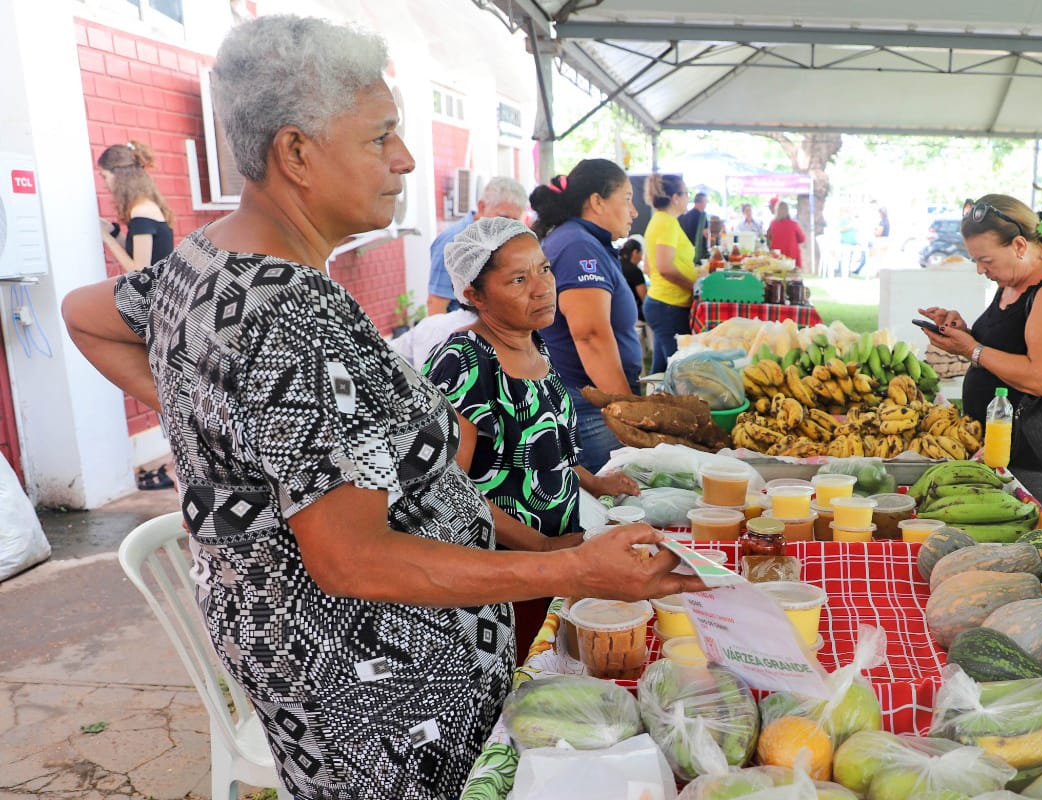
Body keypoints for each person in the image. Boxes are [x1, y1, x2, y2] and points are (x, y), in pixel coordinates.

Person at [59, 16, 702, 799]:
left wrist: (234, 425)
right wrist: (571, 565)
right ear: (295, 152)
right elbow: (351, 558)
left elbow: (86, 311)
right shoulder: (287, 311)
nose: (404, 159)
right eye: (379, 138)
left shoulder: (209, 260)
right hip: (381, 701)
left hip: (334, 669)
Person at [429, 216, 641, 655]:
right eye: (519, 279)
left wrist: (593, 481)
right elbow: (447, 493)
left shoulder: (532, 343)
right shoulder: (463, 362)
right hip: (505, 577)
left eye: (544, 269)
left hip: (557, 562)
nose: (543, 287)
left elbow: (541, 446)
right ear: (473, 295)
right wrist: (544, 548)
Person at [918, 194, 1042, 520]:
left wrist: (971, 350)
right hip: (1003, 447)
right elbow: (1009, 346)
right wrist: (964, 332)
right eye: (975, 261)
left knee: (1028, 545)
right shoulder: (1014, 277)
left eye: (986, 260)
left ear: (1019, 246)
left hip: (1037, 456)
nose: (981, 270)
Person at [530, 160, 645, 475]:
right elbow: (590, 335)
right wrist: (626, 409)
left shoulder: (584, 241)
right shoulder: (578, 246)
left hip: (592, 403)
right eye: (626, 198)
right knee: (612, 504)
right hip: (589, 407)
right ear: (597, 202)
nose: (633, 211)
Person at [426, 175, 526, 314]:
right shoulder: (454, 242)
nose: (506, 226)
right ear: (482, 207)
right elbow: (436, 304)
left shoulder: (499, 238)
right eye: (503, 217)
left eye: (514, 221)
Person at [643, 173, 697, 372]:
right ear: (675, 197)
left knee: (660, 370)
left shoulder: (658, 220)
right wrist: (694, 285)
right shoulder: (668, 223)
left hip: (661, 303)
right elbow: (664, 267)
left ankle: (650, 401)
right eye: (686, 193)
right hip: (669, 306)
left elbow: (649, 267)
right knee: (680, 369)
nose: (687, 198)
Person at [96, 141, 175, 272]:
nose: (105, 183)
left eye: (105, 177)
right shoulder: (145, 207)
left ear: (120, 176)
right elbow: (138, 249)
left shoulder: (141, 212)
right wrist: (112, 231)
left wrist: (107, 238)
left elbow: (138, 272)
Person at [767, 201, 806, 267]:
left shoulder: (773, 224)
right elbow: (802, 239)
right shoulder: (794, 224)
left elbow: (768, 237)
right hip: (791, 255)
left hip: (777, 256)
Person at [617, 237, 649, 316]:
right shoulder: (635, 271)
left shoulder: (616, 265)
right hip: (632, 312)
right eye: (641, 254)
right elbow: (644, 298)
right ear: (635, 252)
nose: (641, 259)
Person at [679, 190, 709, 261]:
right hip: (699, 254)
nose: (706, 204)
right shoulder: (702, 217)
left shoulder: (686, 216)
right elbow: (706, 234)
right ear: (701, 202)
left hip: (685, 252)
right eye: (706, 201)